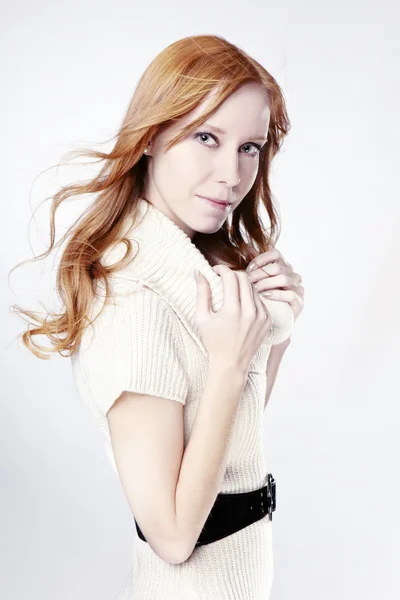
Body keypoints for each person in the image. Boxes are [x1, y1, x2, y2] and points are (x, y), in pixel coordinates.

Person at [11, 34, 305, 599]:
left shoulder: (189, 267)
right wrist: (226, 365)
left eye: (250, 147)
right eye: (207, 137)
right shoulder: (135, 299)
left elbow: (225, 435)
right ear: (151, 136)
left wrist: (274, 334)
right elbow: (171, 535)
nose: (232, 174)